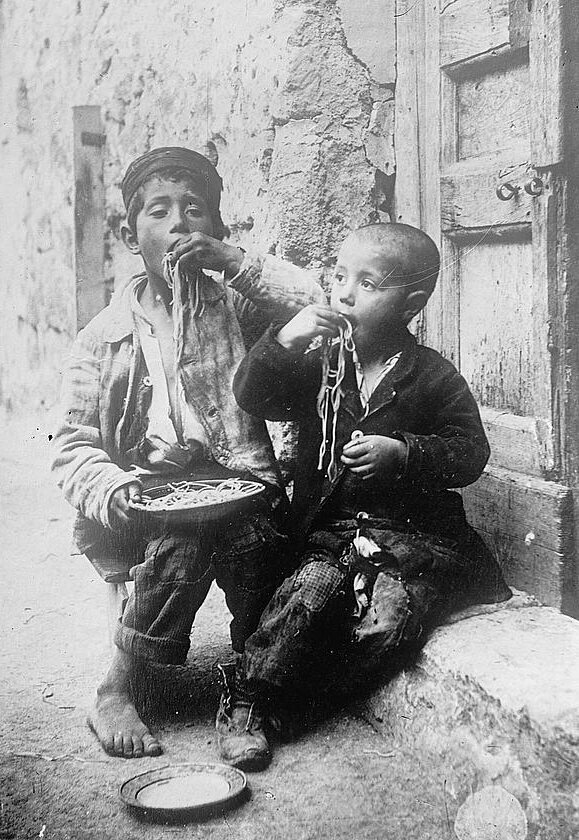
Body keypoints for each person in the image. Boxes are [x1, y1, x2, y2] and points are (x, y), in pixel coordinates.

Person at [51, 146, 325, 769]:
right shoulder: (104, 338)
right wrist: (116, 490)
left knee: (256, 549)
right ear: (129, 233)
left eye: (195, 210)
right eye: (159, 211)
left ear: (216, 230)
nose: (179, 223)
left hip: (239, 486)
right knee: (182, 544)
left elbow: (312, 300)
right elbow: (70, 444)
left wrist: (236, 264)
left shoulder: (234, 306)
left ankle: (249, 687)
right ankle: (117, 689)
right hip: (146, 498)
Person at [233, 222, 512, 767]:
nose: (343, 292)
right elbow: (253, 396)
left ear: (413, 302)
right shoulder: (318, 362)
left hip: (413, 542)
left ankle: (309, 699)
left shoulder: (432, 376)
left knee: (391, 622)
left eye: (367, 282)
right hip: (332, 532)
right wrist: (284, 340)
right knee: (309, 596)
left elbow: (469, 452)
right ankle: (248, 697)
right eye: (339, 276)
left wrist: (405, 453)